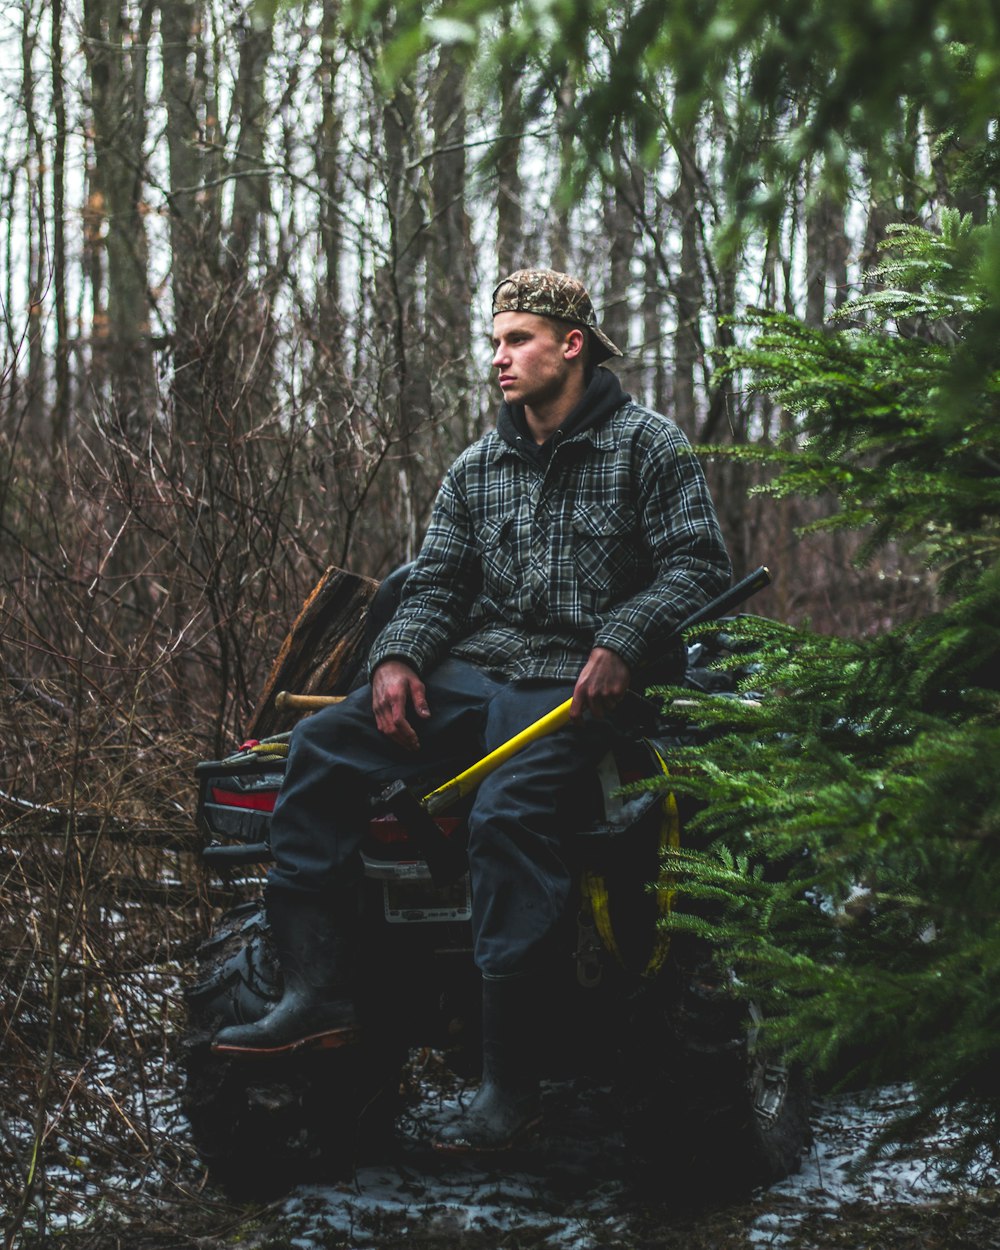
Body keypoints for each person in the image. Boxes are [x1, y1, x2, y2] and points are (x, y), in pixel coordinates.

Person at [212, 268, 732, 1151]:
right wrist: (398, 658)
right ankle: (313, 995)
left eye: (517, 339)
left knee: (505, 815)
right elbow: (438, 582)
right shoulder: (477, 467)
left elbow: (698, 568)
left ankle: (510, 1079)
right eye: (494, 341)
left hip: (571, 682)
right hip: (476, 671)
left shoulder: (650, 449)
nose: (499, 358)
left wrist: (625, 639)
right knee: (319, 751)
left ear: (571, 345)